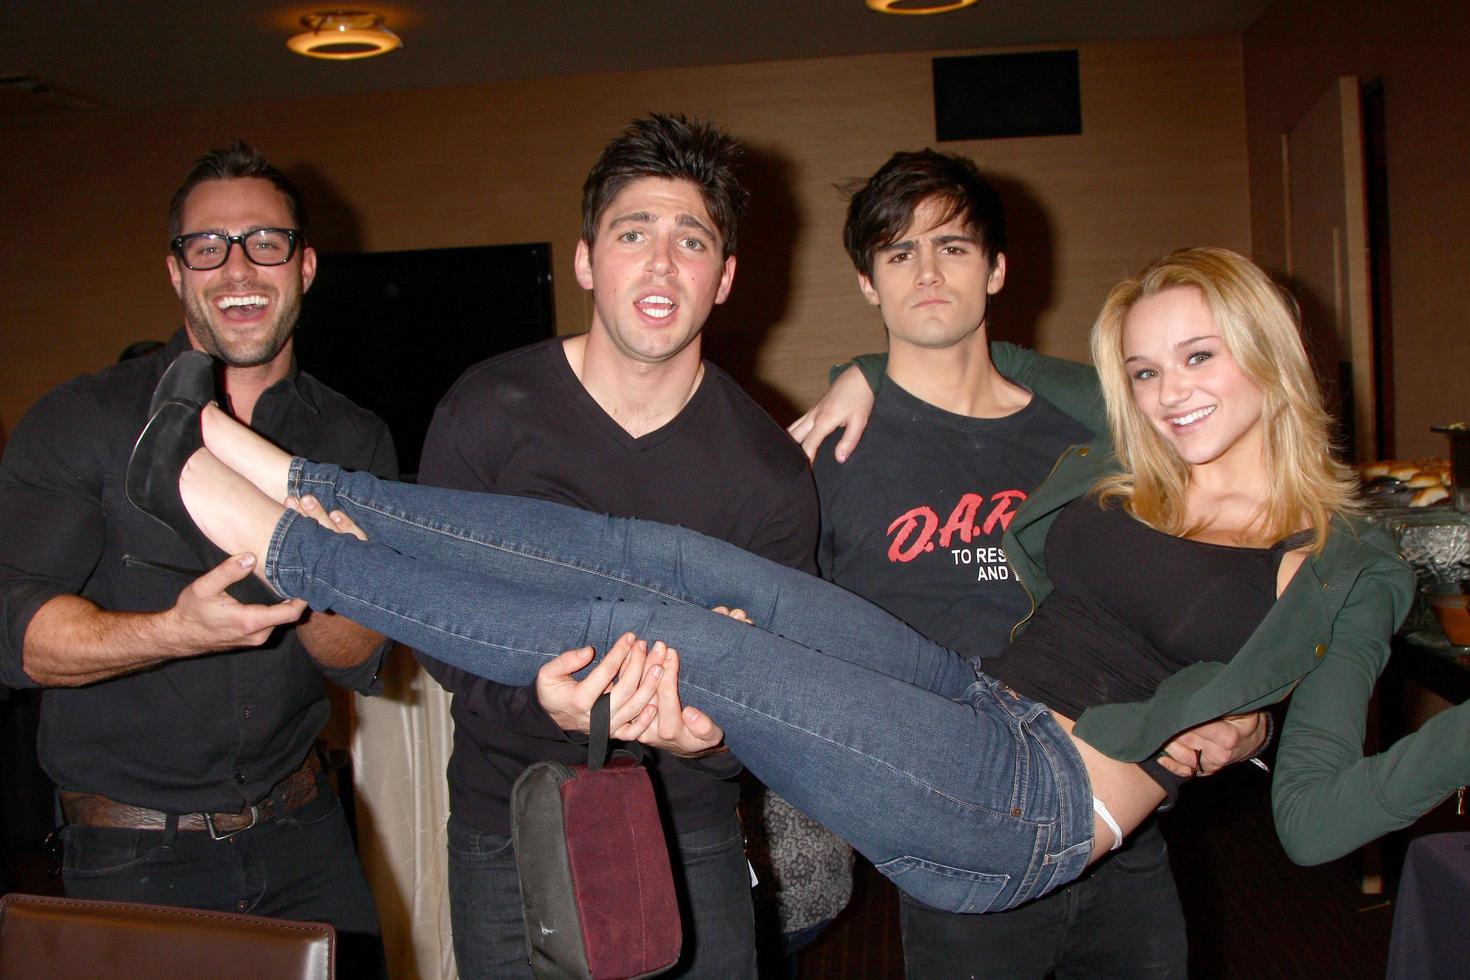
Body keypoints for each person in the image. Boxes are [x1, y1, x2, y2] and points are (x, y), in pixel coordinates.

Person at [139, 247, 1465, 923]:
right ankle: (314, 487)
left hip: (1031, 804)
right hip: (976, 703)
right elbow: (979, 364)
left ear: (1262, 357)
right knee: (673, 558)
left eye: (1199, 360)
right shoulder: (1138, 457)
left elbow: (1315, 818)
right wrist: (862, 375)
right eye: (1149, 367)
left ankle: (283, 552)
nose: (1171, 393)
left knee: (670, 629)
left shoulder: (1338, 563)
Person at [795, 150, 1266, 977]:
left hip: (1126, 830)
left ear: (997, 269)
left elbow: (1206, 593)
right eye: (898, 253)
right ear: (868, 283)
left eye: (953, 246)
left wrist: (1245, 715)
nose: (927, 271)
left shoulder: (1094, 442)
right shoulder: (827, 458)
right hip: (961, 849)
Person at [413, 114, 824, 978]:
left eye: (692, 239)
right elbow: (435, 624)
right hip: (511, 829)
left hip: (691, 835)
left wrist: (710, 736)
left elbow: (783, 689)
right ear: (587, 260)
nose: (662, 263)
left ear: (726, 277)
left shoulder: (769, 472)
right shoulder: (486, 412)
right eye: (633, 233)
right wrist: (540, 703)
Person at [0, 142, 395, 974]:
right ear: (177, 272)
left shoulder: (351, 437)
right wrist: (176, 632)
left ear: (306, 265)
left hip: (307, 840)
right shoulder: (85, 421)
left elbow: (361, 654)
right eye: (207, 246)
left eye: (266, 242)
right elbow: (17, 635)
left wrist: (314, 568)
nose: (237, 267)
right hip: (134, 861)